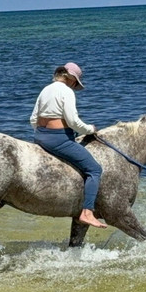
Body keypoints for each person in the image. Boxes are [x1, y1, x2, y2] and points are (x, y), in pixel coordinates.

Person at [29, 62, 108, 228]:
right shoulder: (66, 91)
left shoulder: (45, 89)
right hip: (58, 139)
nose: (74, 85)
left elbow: (33, 119)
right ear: (70, 78)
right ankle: (87, 212)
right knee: (94, 169)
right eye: (75, 82)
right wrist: (90, 129)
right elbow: (73, 122)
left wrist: (43, 134)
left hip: (40, 136)